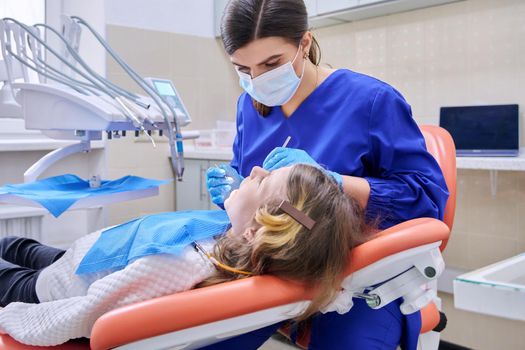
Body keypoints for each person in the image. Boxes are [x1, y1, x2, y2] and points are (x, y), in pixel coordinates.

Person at [205, 0, 450, 349]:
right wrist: (234, 192)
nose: (256, 80)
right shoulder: (250, 106)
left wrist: (335, 180)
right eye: (243, 69)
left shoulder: (372, 101)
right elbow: (254, 191)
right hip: (273, 267)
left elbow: (426, 201)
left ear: (304, 43)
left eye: (271, 63)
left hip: (357, 276)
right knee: (204, 332)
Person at [0, 164, 368, 346]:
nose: (253, 170)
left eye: (263, 179)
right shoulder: (231, 236)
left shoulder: (178, 265)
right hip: (85, 258)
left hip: (61, 286)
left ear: (258, 228)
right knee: (15, 245)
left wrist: (17, 317)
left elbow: (88, 311)